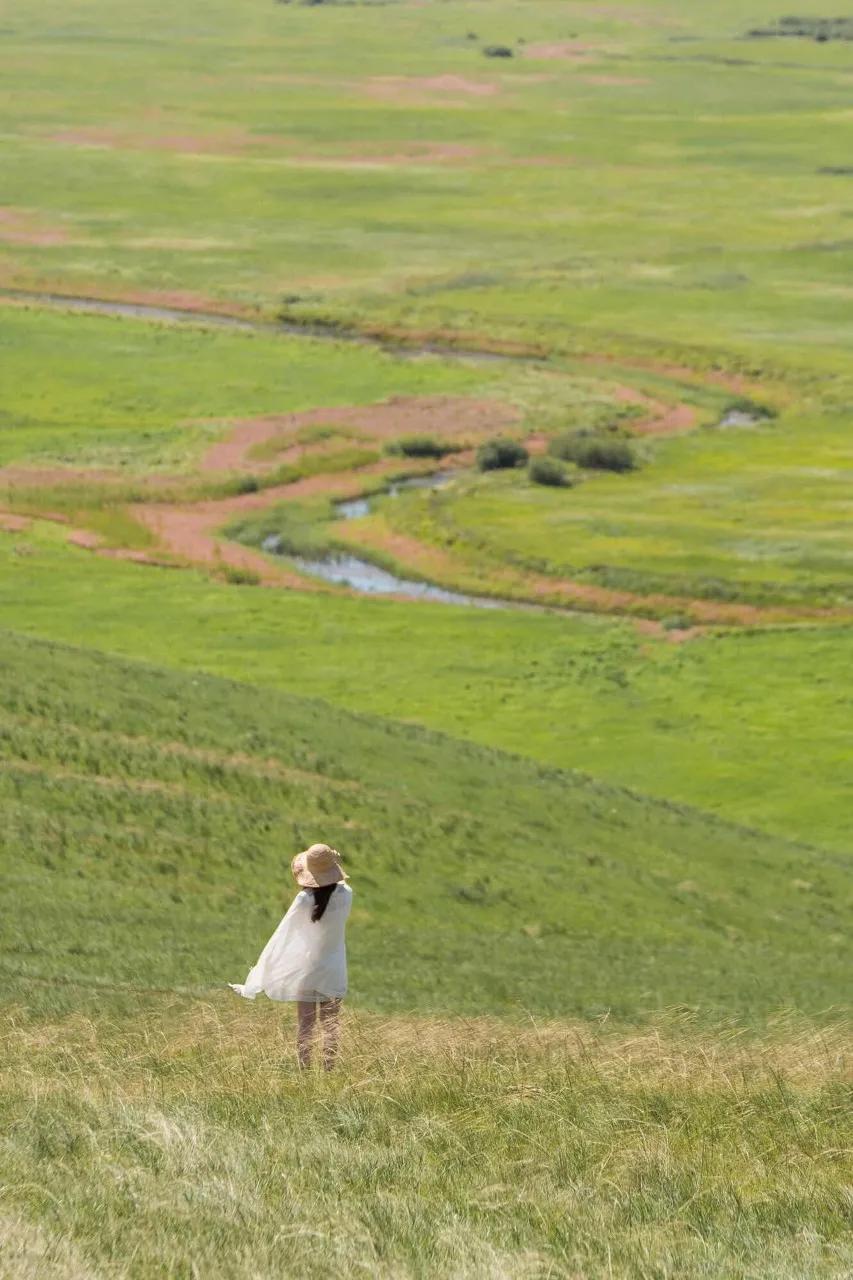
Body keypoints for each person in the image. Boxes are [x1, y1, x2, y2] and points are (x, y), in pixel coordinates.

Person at [229, 843, 352, 1069]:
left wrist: (263, 969)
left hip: (308, 967)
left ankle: (304, 1070)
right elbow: (338, 888)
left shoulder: (305, 899)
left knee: (306, 1024)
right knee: (331, 1024)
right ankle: (329, 1070)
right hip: (334, 966)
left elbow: (283, 933)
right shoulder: (347, 895)